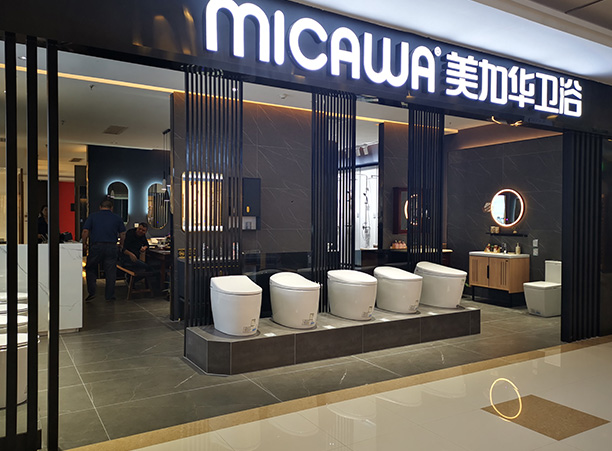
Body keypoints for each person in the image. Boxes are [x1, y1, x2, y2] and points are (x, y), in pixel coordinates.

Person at [82, 198, 126, 301]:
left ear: (100, 207)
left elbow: (85, 231)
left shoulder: (93, 216)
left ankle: (92, 292)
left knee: (91, 268)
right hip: (111, 246)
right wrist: (121, 244)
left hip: (96, 246)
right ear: (111, 208)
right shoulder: (117, 218)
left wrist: (84, 243)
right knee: (110, 272)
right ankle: (110, 296)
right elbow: (123, 234)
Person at [120, 222, 160, 292]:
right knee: (150, 269)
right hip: (126, 258)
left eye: (143, 230)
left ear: (145, 232)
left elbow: (146, 245)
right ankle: (157, 288)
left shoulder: (142, 236)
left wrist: (144, 247)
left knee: (149, 268)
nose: (140, 231)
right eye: (139, 229)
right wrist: (130, 254)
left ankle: (131, 281)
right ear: (137, 228)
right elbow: (123, 249)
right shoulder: (130, 233)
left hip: (136, 258)